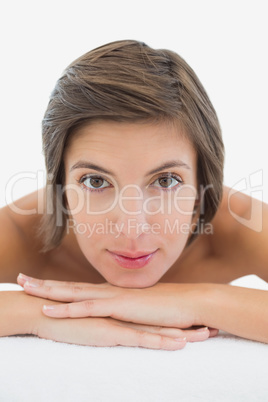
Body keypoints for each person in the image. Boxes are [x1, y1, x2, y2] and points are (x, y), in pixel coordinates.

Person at [0, 40, 267, 350]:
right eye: (96, 181)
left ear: (202, 183)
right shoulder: (21, 231)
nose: (132, 228)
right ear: (59, 186)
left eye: (166, 180)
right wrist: (38, 313)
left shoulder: (237, 224)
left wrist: (196, 300)